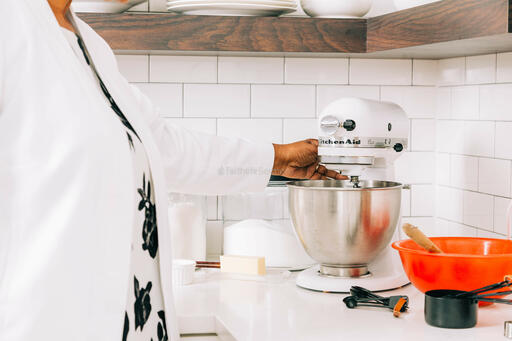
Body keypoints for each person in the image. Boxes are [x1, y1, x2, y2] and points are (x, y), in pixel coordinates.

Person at [0, 0, 346, 340]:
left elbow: (164, 147)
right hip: (47, 321)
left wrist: (278, 158)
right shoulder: (11, 23)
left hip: (134, 318)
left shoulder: (90, 44)